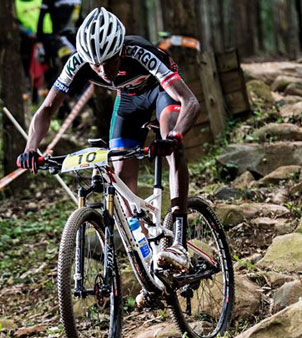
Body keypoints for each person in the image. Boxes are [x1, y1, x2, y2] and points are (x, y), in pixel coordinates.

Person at [17, 7, 200, 303]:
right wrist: (30, 148)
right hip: (128, 104)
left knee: (168, 138)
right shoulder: (78, 62)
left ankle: (178, 237)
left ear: (120, 49)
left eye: (110, 61)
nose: (103, 70)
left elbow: (190, 101)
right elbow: (47, 108)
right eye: (96, 64)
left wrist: (176, 136)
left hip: (160, 94)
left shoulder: (140, 52)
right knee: (122, 181)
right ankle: (151, 265)